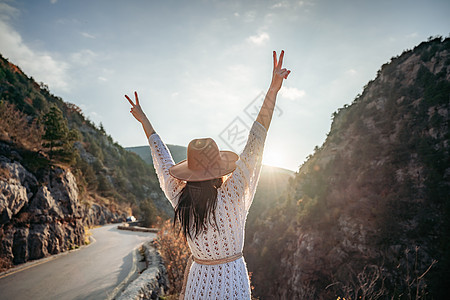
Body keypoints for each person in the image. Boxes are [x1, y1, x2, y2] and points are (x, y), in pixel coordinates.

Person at [125, 50, 291, 299]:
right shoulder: (233, 194)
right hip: (233, 285)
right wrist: (272, 91)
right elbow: (256, 141)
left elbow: (162, 159)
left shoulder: (181, 199)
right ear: (218, 170)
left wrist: (144, 120)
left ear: (189, 172)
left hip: (197, 285)